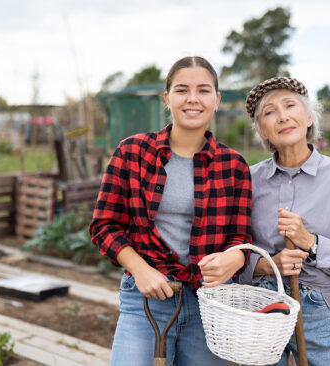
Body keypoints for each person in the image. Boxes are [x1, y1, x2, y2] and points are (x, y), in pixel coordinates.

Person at [90, 56, 253, 366]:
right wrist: (140, 270)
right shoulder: (132, 152)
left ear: (217, 101)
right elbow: (104, 225)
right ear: (167, 99)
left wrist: (236, 256)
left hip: (210, 302)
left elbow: (240, 236)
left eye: (203, 91)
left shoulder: (234, 166)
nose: (193, 99)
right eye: (182, 90)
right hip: (146, 299)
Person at [237, 77, 330, 366]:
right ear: (261, 129)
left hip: (317, 309)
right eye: (269, 112)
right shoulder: (247, 180)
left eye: (290, 105)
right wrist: (267, 264)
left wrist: (311, 243)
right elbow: (231, 250)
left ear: (309, 117)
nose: (283, 116)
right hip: (261, 307)